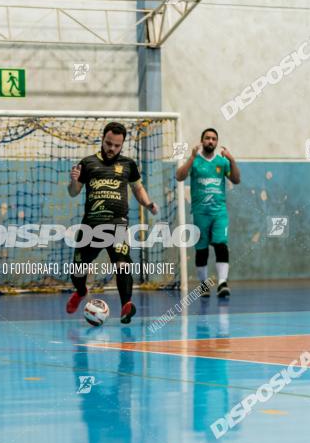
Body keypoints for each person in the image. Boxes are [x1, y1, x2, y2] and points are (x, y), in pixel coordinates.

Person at [66, 122, 159, 323]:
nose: (112, 149)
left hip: (117, 225)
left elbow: (138, 189)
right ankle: (81, 291)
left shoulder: (128, 165)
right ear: (103, 139)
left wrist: (148, 203)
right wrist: (74, 180)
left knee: (122, 264)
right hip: (90, 226)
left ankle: (126, 306)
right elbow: (73, 192)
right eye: (109, 143)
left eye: (117, 145)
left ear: (122, 144)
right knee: (77, 271)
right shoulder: (88, 163)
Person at [175, 128, 240, 297]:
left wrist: (232, 160)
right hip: (200, 213)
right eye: (207, 138)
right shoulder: (195, 161)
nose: (210, 141)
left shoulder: (222, 162)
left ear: (216, 142)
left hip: (219, 212)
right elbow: (179, 176)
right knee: (202, 249)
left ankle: (222, 283)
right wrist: (191, 157)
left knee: (221, 244)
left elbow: (236, 179)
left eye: (213, 139)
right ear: (202, 141)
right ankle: (203, 285)